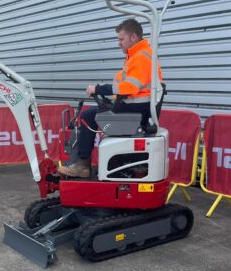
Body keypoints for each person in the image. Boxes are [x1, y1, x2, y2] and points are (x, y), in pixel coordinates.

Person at [58, 18, 163, 178]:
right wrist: (107, 97)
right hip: (136, 107)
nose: (118, 43)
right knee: (96, 112)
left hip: (136, 110)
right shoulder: (136, 56)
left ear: (133, 38)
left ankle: (82, 165)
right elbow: (124, 85)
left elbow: (130, 88)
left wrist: (99, 89)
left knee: (87, 117)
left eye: (121, 39)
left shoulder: (141, 57)